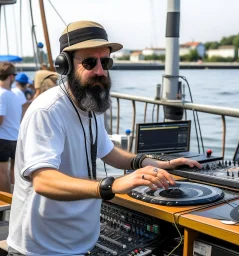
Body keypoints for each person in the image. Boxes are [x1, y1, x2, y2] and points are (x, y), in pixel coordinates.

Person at [7, 20, 201, 255]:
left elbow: (107, 151)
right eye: (89, 62)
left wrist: (152, 163)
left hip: (79, 243)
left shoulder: (91, 104)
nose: (100, 70)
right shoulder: (47, 111)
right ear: (65, 66)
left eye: (105, 61)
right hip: (42, 248)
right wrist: (113, 185)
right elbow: (43, 180)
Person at [0, 62, 23, 193]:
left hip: (2, 138)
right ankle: (16, 199)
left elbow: (0, 120)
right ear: (11, 77)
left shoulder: (1, 94)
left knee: (2, 172)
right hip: (15, 138)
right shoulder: (16, 95)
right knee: (14, 172)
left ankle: (6, 203)